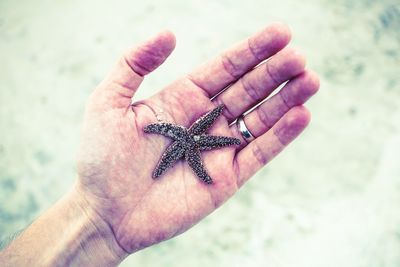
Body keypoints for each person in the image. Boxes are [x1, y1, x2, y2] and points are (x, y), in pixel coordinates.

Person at [0, 22, 319, 266]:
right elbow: (176, 134)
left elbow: (198, 137)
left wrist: (92, 216)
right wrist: (95, 212)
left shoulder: (191, 140)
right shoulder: (185, 140)